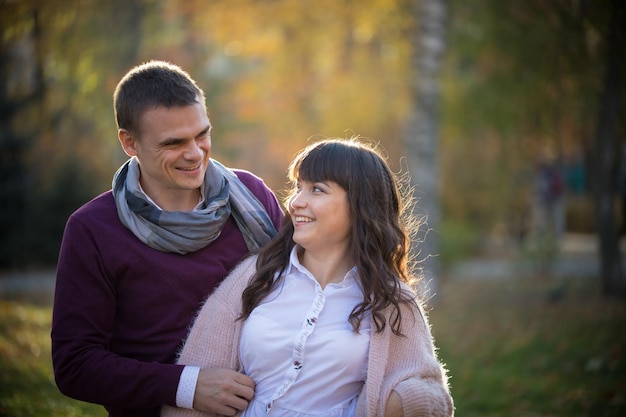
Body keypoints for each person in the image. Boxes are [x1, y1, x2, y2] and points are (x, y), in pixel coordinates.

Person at [51, 61, 284, 417]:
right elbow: (76, 365)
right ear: (130, 143)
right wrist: (185, 387)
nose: (194, 153)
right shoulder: (93, 229)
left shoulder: (251, 195)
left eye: (202, 134)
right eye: (173, 143)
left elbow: (304, 289)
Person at [162, 138, 454, 417]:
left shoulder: (391, 299)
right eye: (298, 187)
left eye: (317, 189)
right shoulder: (255, 275)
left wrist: (403, 403)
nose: (296, 202)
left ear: (359, 204)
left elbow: (429, 390)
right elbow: (199, 377)